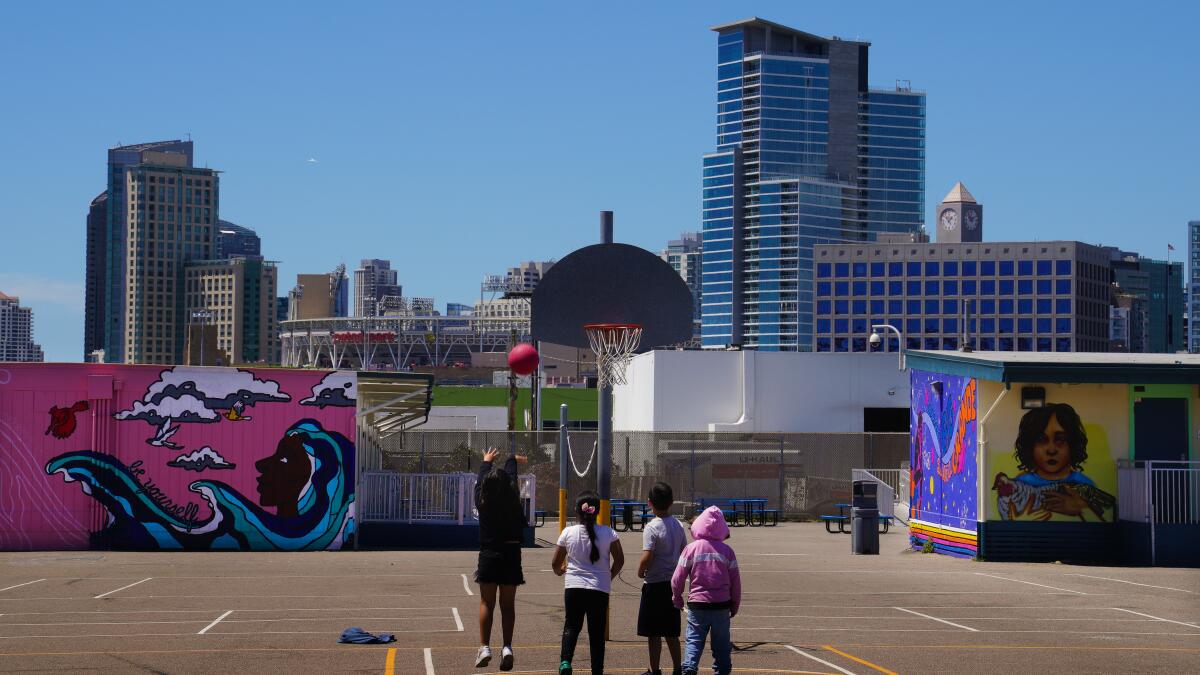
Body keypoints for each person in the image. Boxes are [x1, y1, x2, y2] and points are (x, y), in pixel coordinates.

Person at [552, 491, 624, 675]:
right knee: (597, 632)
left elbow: (555, 562)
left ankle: (566, 662)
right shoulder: (609, 532)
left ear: (577, 512)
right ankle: (597, 670)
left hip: (574, 586)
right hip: (599, 588)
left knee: (571, 626)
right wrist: (608, 576)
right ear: (598, 511)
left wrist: (560, 571)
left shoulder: (568, 532)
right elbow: (620, 560)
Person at [473, 447, 528, 671]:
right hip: (511, 554)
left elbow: (480, 480)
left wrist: (486, 462)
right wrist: (511, 459)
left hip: (489, 553)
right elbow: (511, 477)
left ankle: (485, 647)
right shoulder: (513, 498)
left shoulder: (483, 502)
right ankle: (507, 647)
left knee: (487, 602)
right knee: (508, 605)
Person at [671, 506, 741, 675]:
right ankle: (722, 670)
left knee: (694, 641)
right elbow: (736, 583)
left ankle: (689, 667)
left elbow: (677, 578)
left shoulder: (692, 548)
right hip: (722, 605)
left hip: (698, 604)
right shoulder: (727, 552)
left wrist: (677, 598)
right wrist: (734, 605)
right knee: (722, 644)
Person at [636, 482, 687, 675]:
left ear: (649, 503)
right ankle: (677, 668)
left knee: (653, 632)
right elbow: (684, 552)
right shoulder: (678, 525)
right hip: (672, 583)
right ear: (672, 502)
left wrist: (641, 570)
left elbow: (647, 555)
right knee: (671, 631)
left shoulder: (652, 527)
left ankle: (655, 669)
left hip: (655, 585)